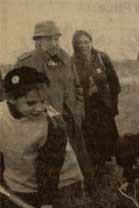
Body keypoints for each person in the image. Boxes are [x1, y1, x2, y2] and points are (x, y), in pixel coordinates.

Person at [0, 66, 83, 208]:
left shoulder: (53, 124)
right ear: (11, 99)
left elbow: (50, 166)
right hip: (18, 180)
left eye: (44, 101)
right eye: (31, 103)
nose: (40, 108)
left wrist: (47, 202)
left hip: (56, 183)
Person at [15, 20, 92, 187]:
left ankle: (83, 192)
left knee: (79, 160)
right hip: (46, 123)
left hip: (71, 119)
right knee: (51, 165)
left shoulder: (65, 57)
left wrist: (78, 110)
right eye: (49, 40)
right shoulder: (27, 62)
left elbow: (77, 87)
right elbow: (17, 98)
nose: (54, 43)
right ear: (38, 41)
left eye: (56, 39)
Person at [71, 30, 121, 174]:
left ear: (91, 42)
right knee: (91, 138)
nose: (83, 46)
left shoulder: (101, 57)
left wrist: (113, 105)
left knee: (108, 135)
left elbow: (114, 83)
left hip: (103, 105)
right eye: (79, 43)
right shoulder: (73, 62)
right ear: (75, 45)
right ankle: (96, 167)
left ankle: (109, 164)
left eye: (86, 42)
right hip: (87, 107)